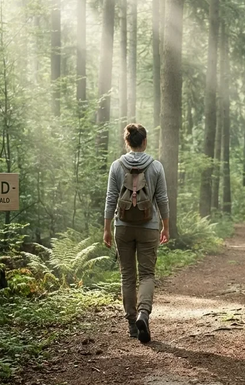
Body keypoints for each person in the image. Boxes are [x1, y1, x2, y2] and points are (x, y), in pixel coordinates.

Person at [103, 124, 169, 343]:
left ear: (127, 142)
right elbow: (162, 200)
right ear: (145, 141)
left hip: (122, 226)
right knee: (147, 274)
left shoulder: (116, 165)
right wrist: (165, 226)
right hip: (148, 227)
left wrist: (106, 228)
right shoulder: (156, 166)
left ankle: (132, 324)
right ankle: (143, 313)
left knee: (127, 275)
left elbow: (111, 199)